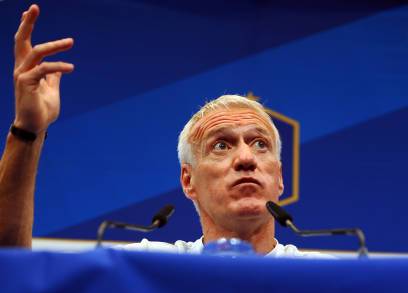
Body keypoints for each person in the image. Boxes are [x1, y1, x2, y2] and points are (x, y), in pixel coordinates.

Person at [0, 4, 323, 257]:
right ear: (188, 180)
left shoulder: (327, 279)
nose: (245, 158)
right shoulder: (143, 274)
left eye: (260, 144)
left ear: (279, 178)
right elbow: (13, 280)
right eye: (221, 146)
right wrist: (27, 131)